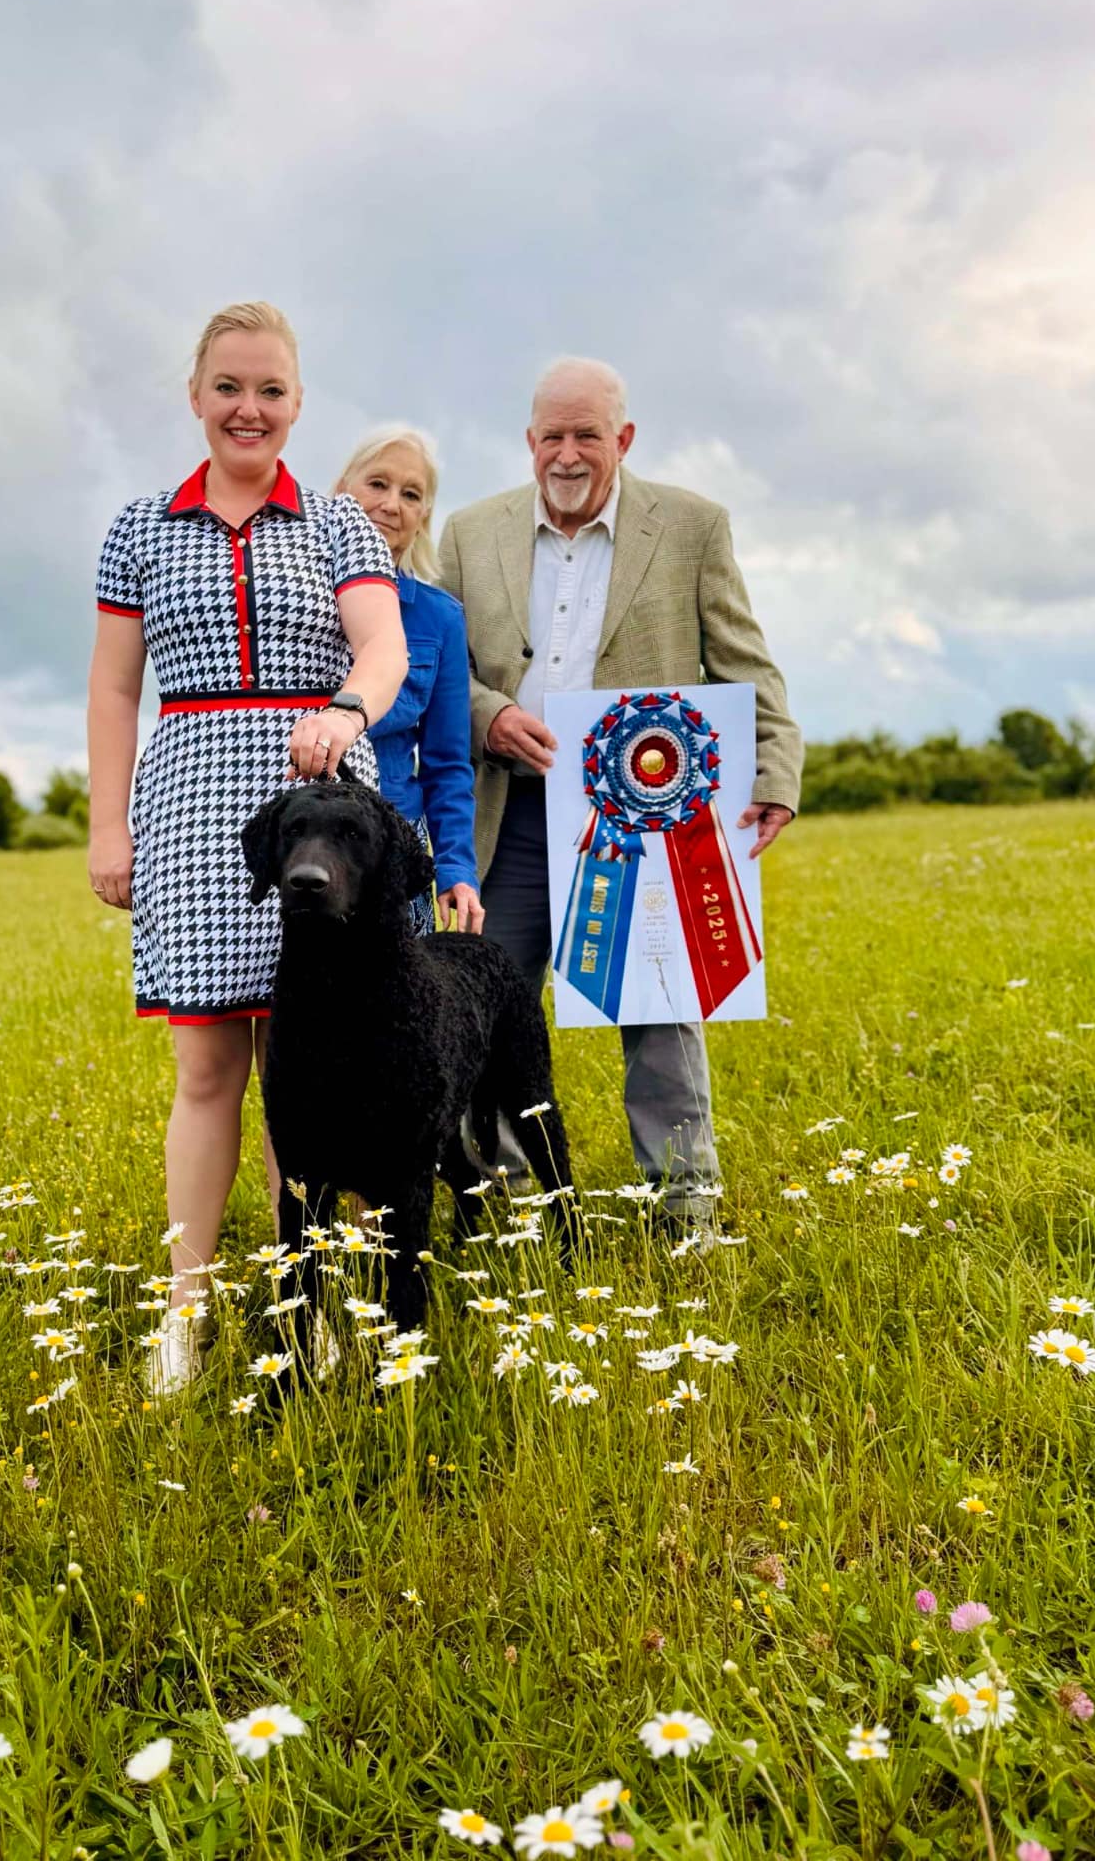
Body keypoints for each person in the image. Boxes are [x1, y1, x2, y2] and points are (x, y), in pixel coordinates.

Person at [87, 301, 407, 1393]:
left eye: (270, 389)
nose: (248, 408)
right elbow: (115, 689)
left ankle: (305, 1300)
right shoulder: (139, 528)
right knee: (207, 1066)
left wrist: (347, 711)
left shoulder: (338, 523)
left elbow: (382, 647)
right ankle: (184, 1309)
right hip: (188, 810)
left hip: (319, 808)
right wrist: (109, 824)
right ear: (196, 395)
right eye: (228, 386)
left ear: (297, 404)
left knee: (307, 1071)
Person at [437, 356, 802, 1227]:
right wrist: (489, 715)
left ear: (623, 438)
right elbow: (441, 668)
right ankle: (505, 1201)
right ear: (528, 440)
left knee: (661, 1009)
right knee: (485, 1008)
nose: (566, 455)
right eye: (551, 437)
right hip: (511, 814)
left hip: (647, 821)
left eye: (586, 436)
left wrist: (774, 773)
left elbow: (745, 665)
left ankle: (684, 1205)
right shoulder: (468, 532)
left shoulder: (692, 526)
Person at [333, 425, 483, 935]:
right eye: (377, 484)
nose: (391, 504)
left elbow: (447, 765)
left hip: (394, 844)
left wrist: (456, 868)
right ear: (342, 490)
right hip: (308, 837)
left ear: (424, 517)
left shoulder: (441, 619)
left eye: (411, 494)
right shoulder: (297, 599)